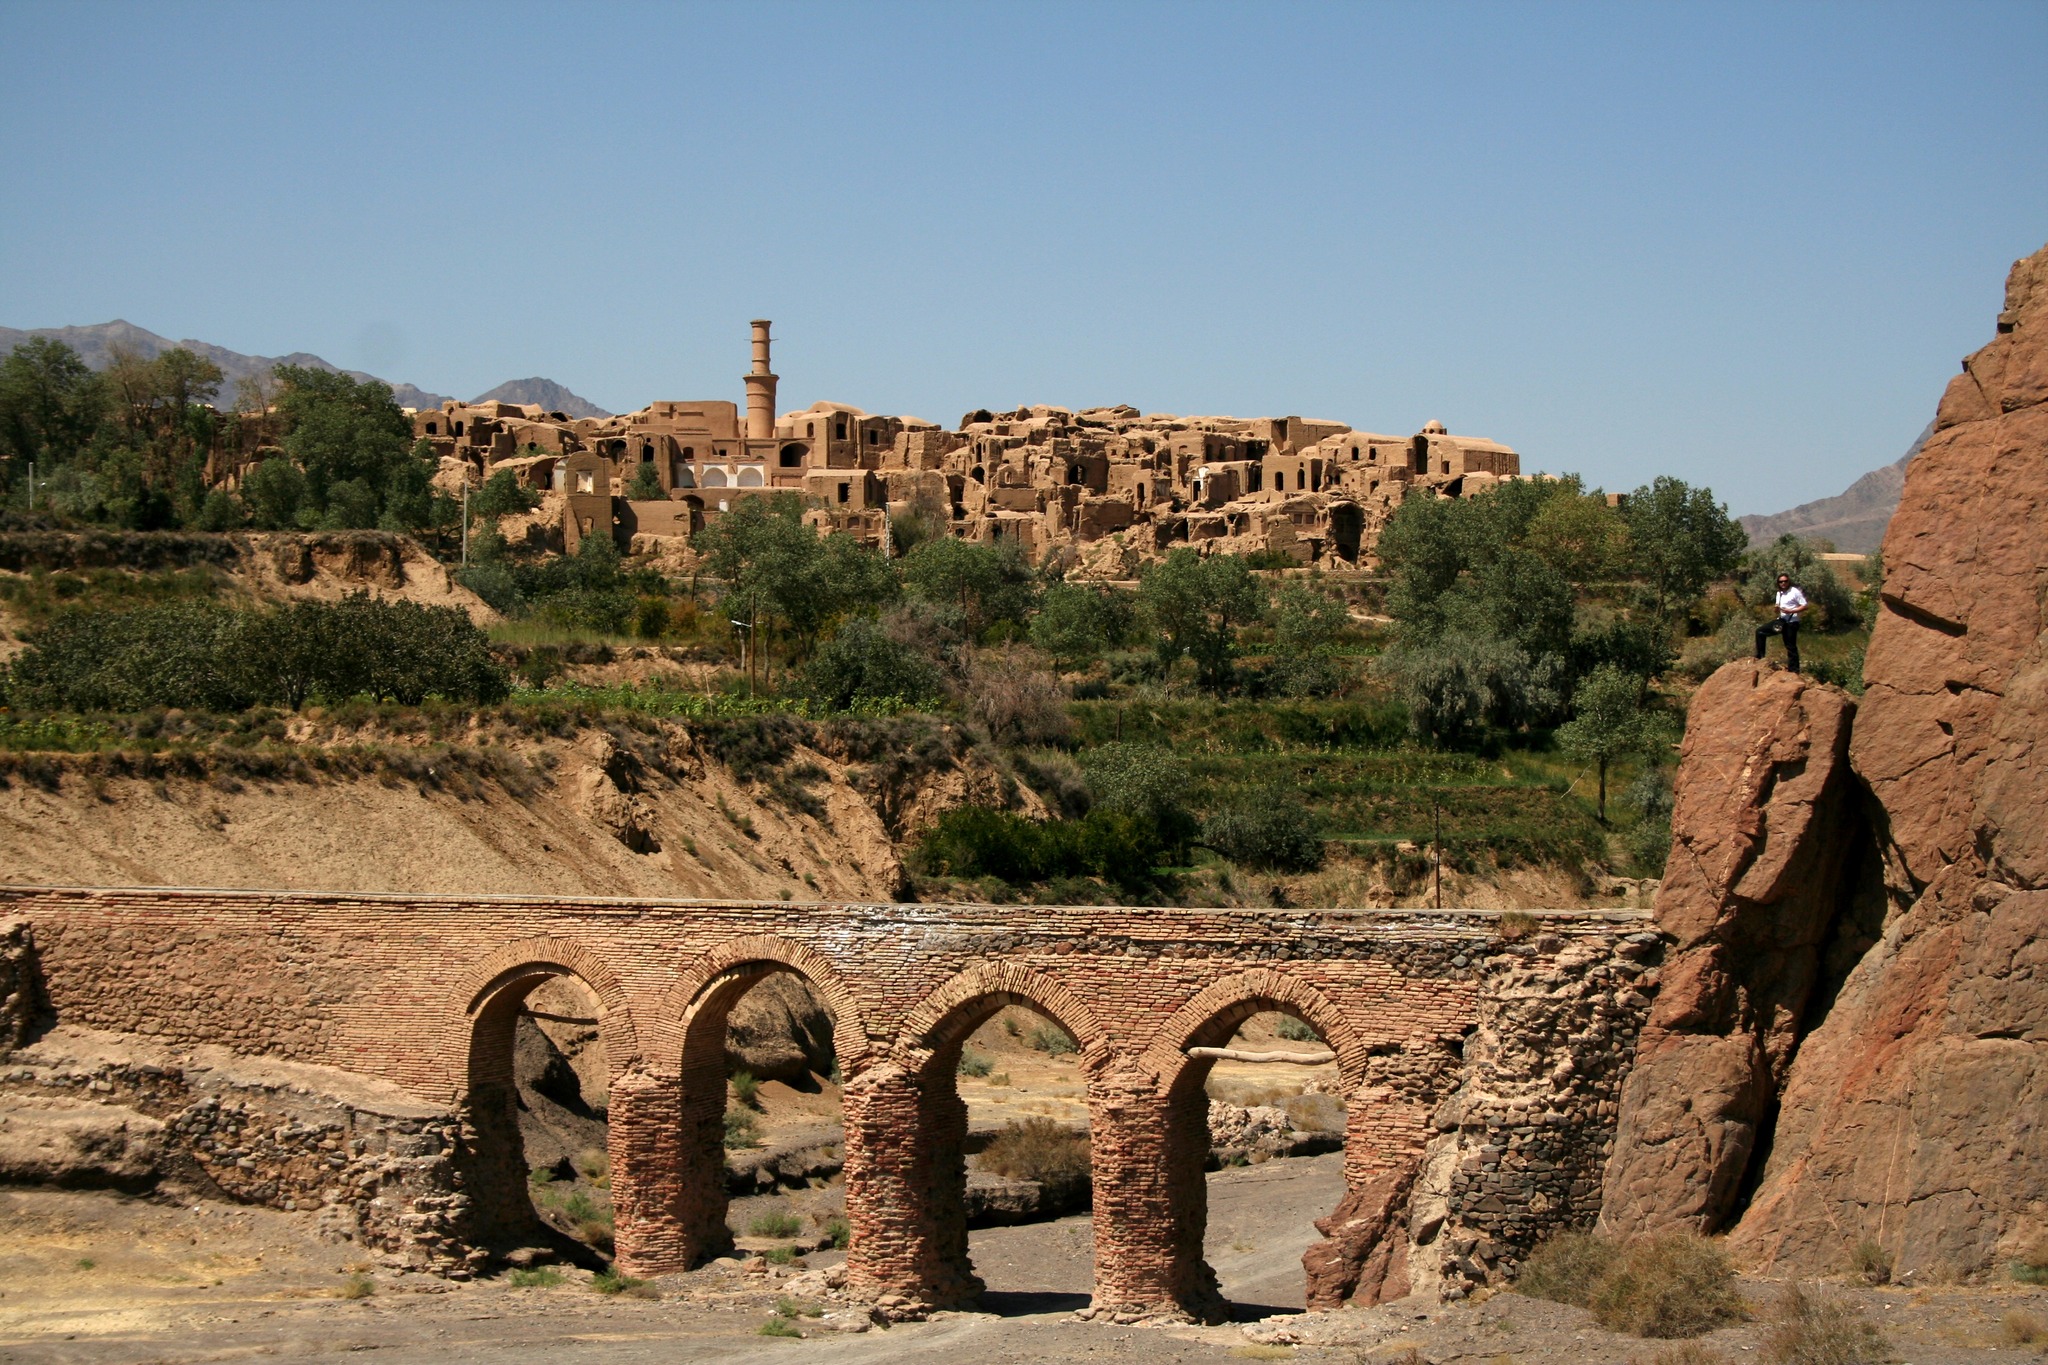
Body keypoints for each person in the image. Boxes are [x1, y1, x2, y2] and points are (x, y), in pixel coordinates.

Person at [1755, 572, 1807, 673]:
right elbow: (1778, 608)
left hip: (1792, 622)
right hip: (1782, 620)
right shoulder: (1779, 593)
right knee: (1760, 632)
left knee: (1790, 646)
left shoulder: (1794, 591)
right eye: (1780, 582)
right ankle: (1760, 657)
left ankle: (1794, 671)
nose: (1783, 583)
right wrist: (1776, 609)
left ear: (1788, 582)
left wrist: (1791, 611)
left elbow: (1804, 605)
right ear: (1778, 583)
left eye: (1785, 581)